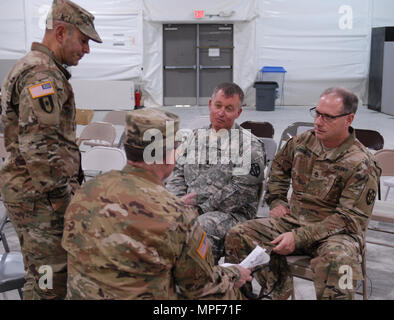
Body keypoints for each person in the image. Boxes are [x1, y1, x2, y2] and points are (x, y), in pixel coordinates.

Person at [61, 108, 251, 299]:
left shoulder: (86, 191)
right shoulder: (177, 215)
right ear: (169, 154)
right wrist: (235, 273)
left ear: (127, 148)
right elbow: (201, 286)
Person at [225, 87, 381, 300]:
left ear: (349, 119)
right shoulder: (303, 142)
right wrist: (277, 200)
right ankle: (275, 291)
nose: (318, 121)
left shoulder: (361, 163)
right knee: (239, 234)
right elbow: (278, 168)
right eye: (317, 113)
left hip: (336, 234)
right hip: (294, 221)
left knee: (339, 260)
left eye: (328, 117)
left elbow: (350, 220)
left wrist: (298, 238)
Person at [0, 0, 102, 299]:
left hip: (33, 194)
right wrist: (63, 202)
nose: (86, 50)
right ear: (60, 33)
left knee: (41, 271)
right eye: (83, 40)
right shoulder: (42, 75)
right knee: (49, 280)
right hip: (42, 200)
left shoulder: (34, 66)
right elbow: (39, 147)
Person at [165, 82, 266, 264]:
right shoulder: (194, 137)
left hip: (231, 214)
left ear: (238, 113)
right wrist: (177, 204)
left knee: (197, 231)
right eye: (218, 106)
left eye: (229, 108)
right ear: (211, 104)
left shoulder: (250, 146)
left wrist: (199, 210)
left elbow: (240, 191)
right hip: (189, 208)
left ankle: (205, 286)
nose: (221, 112)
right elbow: (177, 174)